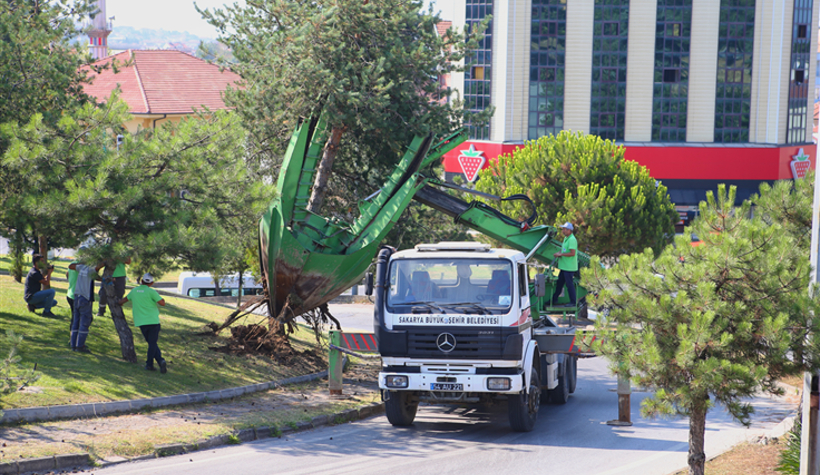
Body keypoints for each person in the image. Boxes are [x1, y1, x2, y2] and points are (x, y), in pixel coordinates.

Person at [120, 273, 167, 373]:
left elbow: (123, 301)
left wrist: (116, 302)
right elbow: (162, 303)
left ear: (141, 281)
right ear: (152, 283)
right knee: (152, 343)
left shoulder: (134, 291)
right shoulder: (151, 291)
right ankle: (150, 363)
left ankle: (159, 361)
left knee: (151, 343)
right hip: (153, 321)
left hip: (141, 322)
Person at [68, 261, 105, 353]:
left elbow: (71, 266)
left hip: (77, 297)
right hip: (85, 298)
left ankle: (73, 345)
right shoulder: (91, 269)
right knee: (84, 323)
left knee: (76, 322)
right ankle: (80, 346)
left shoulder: (81, 267)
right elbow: (100, 265)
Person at [552, 222, 578, 307]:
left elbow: (572, 253)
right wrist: (559, 252)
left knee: (569, 285)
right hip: (564, 267)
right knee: (559, 283)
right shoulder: (566, 239)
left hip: (569, 268)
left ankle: (573, 302)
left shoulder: (572, 240)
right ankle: (554, 299)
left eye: (564, 229)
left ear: (569, 230)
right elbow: (564, 250)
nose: (562, 231)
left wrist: (561, 255)